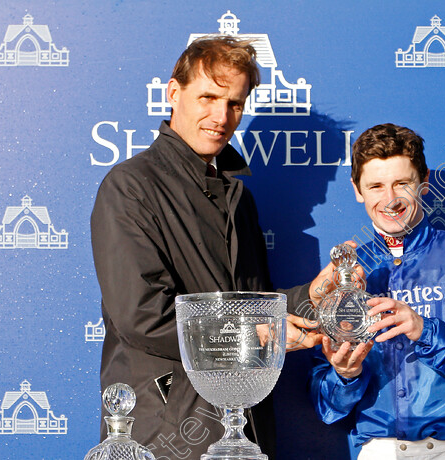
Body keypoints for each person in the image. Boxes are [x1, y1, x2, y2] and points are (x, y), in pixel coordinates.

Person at [91, 36, 324, 459]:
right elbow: (144, 318)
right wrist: (257, 339)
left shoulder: (238, 197)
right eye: (209, 97)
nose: (221, 116)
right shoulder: (129, 187)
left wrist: (312, 295)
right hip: (167, 433)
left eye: (235, 103)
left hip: (242, 428)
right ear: (174, 93)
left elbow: (251, 306)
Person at [310, 123, 445, 459]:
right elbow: (327, 407)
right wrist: (345, 375)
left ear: (424, 183)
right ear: (357, 189)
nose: (390, 200)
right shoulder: (346, 275)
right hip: (380, 450)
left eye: (402, 183)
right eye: (375, 186)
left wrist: (426, 331)